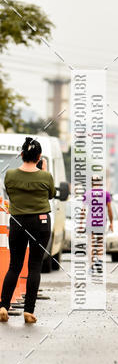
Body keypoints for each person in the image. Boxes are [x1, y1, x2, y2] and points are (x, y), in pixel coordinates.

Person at [0, 137, 56, 325]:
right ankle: (28, 311)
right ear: (39, 156)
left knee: (14, 266)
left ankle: (3, 306)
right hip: (40, 222)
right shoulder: (45, 176)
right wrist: (44, 171)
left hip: (17, 222)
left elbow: (9, 193)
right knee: (34, 266)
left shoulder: (10, 175)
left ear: (22, 155)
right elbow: (51, 194)